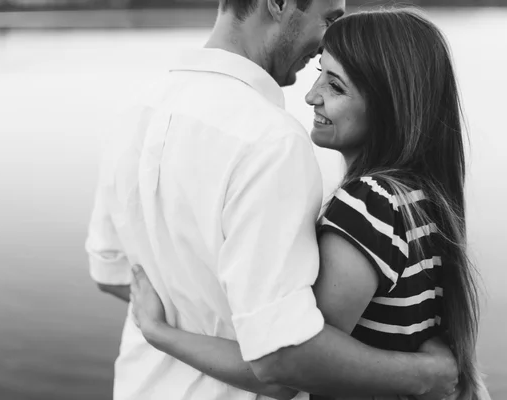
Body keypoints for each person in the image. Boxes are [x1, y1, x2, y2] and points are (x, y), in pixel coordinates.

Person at [85, 1, 460, 399]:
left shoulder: (134, 112)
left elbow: (110, 273)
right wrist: (423, 374)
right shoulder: (270, 140)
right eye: (330, 18)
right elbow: (281, 363)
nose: (325, 42)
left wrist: (169, 323)